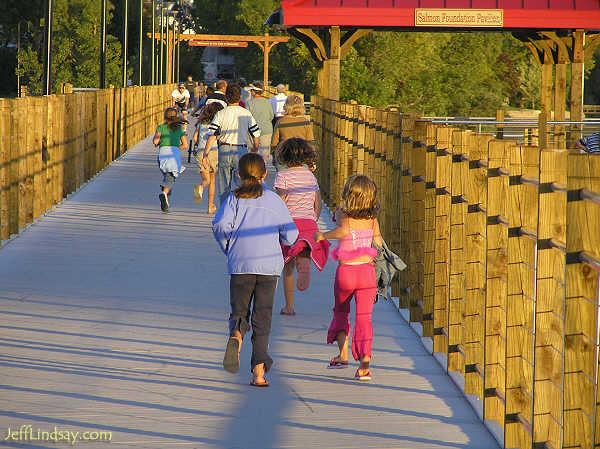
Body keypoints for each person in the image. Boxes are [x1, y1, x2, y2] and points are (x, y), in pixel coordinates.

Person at [213, 153, 299, 387]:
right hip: (269, 267)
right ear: (264, 175)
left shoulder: (233, 199)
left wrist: (228, 247)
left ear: (239, 175)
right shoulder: (274, 200)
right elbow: (291, 235)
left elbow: (221, 224)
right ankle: (259, 374)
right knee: (263, 318)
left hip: (240, 264)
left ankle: (237, 335)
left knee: (239, 310)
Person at [314, 175, 383, 382]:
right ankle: (364, 363)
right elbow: (378, 243)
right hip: (367, 273)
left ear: (348, 195)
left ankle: (343, 355)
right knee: (364, 318)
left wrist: (323, 235)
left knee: (341, 311)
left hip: (347, 272)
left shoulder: (344, 213)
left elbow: (343, 230)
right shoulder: (372, 220)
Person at [274, 138, 329, 316]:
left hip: (290, 224)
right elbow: (317, 203)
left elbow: (280, 202)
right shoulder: (310, 176)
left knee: (287, 264)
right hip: (308, 223)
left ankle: (289, 307)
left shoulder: (282, 176)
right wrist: (313, 219)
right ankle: (304, 264)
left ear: (284, 156)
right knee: (303, 251)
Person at [203, 84, 261, 205]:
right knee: (242, 181)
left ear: (226, 97)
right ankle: (242, 205)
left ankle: (224, 209)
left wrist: (205, 154)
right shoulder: (246, 113)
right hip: (241, 150)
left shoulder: (221, 114)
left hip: (224, 149)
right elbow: (256, 133)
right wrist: (255, 149)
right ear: (240, 97)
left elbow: (213, 134)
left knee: (224, 184)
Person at [153, 107, 188, 212]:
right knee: (171, 177)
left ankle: (166, 201)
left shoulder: (161, 127)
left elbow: (155, 142)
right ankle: (164, 194)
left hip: (162, 154)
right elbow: (185, 145)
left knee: (168, 177)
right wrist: (176, 148)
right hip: (174, 154)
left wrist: (159, 141)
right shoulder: (179, 129)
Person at [192, 102, 224, 214]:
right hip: (214, 152)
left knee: (206, 179)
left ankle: (201, 187)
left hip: (201, 152)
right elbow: (219, 137)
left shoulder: (200, 124)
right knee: (212, 181)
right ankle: (210, 207)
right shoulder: (217, 124)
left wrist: (198, 144)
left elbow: (194, 139)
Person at [270, 95, 315, 169]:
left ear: (286, 106)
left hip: (284, 158)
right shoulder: (305, 122)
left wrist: (274, 158)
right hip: (302, 158)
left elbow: (274, 143)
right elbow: (310, 142)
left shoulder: (280, 122)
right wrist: (312, 162)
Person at [246, 82, 274, 164]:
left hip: (253, 131)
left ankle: (253, 168)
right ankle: (263, 167)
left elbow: (247, 118)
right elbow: (271, 116)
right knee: (265, 153)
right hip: (266, 129)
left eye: (251, 91)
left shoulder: (249, 103)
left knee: (252, 150)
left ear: (255, 91)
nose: (250, 92)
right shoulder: (267, 102)